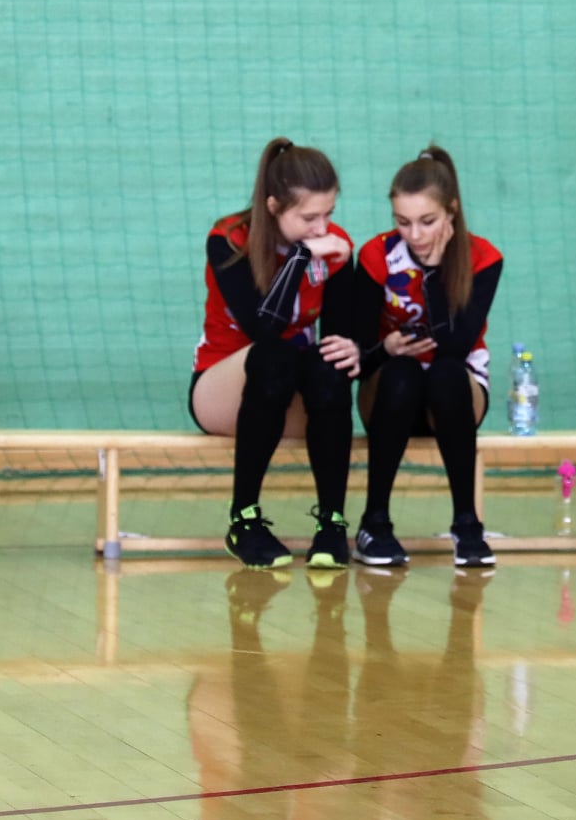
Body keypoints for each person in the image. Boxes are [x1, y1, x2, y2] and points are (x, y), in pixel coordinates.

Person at [191, 138, 361, 569]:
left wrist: (353, 347)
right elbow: (263, 328)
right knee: (275, 355)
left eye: (328, 214)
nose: (322, 229)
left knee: (330, 366)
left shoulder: (335, 245)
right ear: (272, 206)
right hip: (222, 391)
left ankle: (332, 523)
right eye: (309, 218)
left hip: (287, 395)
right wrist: (301, 257)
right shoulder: (229, 240)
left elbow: (337, 336)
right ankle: (243, 520)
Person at [352, 146, 503, 568]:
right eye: (403, 222)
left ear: (451, 211)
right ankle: (374, 523)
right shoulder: (376, 256)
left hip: (454, 398)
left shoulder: (483, 258)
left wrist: (434, 274)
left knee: (445, 373)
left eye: (427, 221)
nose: (415, 235)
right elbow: (359, 359)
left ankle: (467, 524)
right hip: (389, 395)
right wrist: (386, 348)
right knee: (402, 371)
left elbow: (456, 346)